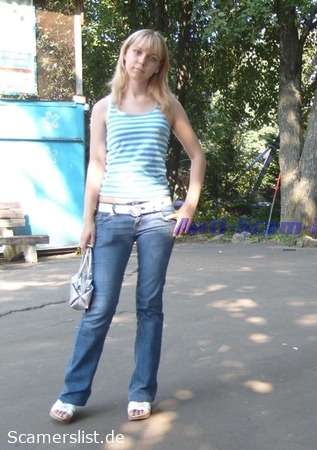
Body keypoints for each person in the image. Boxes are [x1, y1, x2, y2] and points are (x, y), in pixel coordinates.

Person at [50, 29, 206, 423]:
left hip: (156, 216)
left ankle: (141, 392)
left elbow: (197, 155)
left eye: (151, 57)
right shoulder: (104, 107)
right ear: (125, 55)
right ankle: (72, 393)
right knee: (100, 307)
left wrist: (188, 206)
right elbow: (96, 165)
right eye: (137, 52)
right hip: (111, 215)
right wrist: (87, 219)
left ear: (159, 66)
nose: (141, 61)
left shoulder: (167, 105)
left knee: (149, 305)